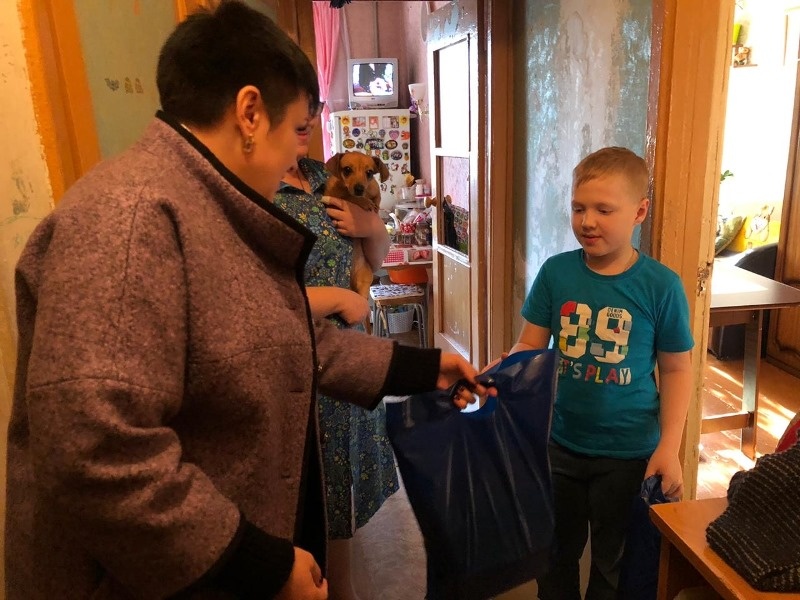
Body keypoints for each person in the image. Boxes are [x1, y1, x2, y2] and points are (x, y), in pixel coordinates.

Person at [4, 3, 489, 599]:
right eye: (296, 131)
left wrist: (423, 368)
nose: (295, 162)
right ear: (250, 113)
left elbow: (283, 338)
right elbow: (94, 452)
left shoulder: (211, 206)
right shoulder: (126, 222)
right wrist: (258, 565)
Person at [505, 147, 694, 599]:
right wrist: (503, 373)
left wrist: (669, 446)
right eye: (578, 208)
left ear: (639, 212)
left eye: (603, 210)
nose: (587, 221)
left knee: (614, 564)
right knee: (553, 556)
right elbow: (530, 345)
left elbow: (676, 369)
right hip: (559, 443)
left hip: (628, 454)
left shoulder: (661, 286)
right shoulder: (556, 273)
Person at [273, 117, 394, 600]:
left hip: (349, 353)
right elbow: (259, 296)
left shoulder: (320, 177)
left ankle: (341, 588)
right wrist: (340, 299)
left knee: (341, 484)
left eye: (313, 107)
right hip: (297, 354)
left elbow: (375, 260)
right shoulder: (261, 191)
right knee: (305, 488)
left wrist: (373, 226)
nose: (306, 119)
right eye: (296, 108)